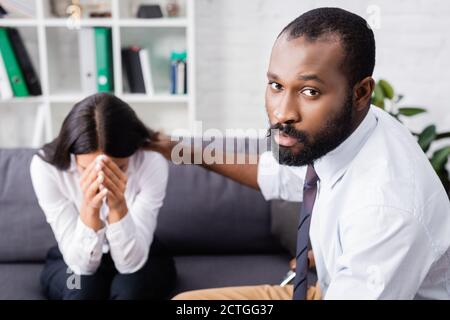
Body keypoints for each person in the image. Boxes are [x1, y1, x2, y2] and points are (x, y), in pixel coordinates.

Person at [148, 7, 450, 299]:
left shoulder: (386, 210)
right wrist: (177, 149)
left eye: (310, 92)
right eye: (276, 85)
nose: (282, 113)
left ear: (360, 93)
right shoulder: (346, 132)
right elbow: (276, 175)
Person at [30, 93, 176, 300]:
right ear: (73, 155)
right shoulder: (46, 167)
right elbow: (80, 264)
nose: (102, 179)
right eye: (86, 168)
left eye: (119, 168)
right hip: (72, 254)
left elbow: (130, 264)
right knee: (80, 291)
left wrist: (118, 206)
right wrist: (90, 208)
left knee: (130, 294)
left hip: (142, 252)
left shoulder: (150, 162)